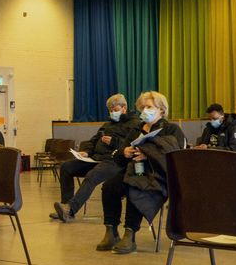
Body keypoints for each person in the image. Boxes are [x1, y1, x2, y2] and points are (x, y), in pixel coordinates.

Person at [99, 91, 186, 254]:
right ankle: (111, 231)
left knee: (136, 188)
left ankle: (129, 234)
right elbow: (119, 157)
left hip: (158, 176)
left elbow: (176, 157)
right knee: (109, 187)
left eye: (149, 107)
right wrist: (124, 152)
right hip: (134, 171)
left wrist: (149, 154)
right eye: (143, 107)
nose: (145, 110)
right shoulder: (136, 129)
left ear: (161, 109)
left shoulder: (172, 129)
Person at [52, 94, 139, 227]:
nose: (112, 113)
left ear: (124, 108)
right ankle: (65, 205)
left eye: (115, 109)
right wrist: (86, 152)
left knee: (92, 176)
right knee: (66, 167)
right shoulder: (107, 124)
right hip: (96, 159)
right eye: (110, 110)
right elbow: (93, 140)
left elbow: (133, 144)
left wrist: (114, 141)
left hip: (114, 161)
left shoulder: (134, 124)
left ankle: (70, 210)